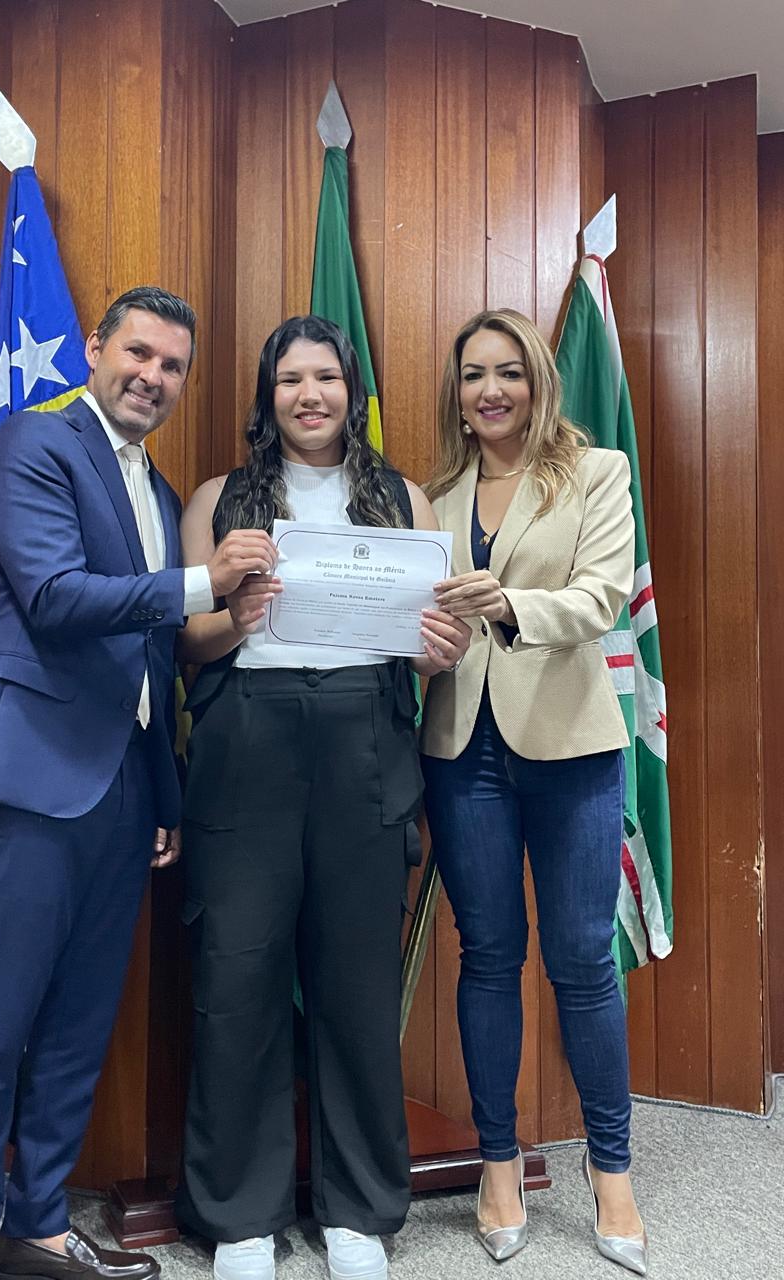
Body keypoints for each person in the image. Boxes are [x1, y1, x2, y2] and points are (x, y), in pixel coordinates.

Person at [0, 286, 276, 1280]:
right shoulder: (33, 444)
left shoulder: (160, 494)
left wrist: (162, 799)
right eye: (139, 353)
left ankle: (37, 1224)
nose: (152, 377)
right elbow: (52, 597)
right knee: (2, 1022)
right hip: (32, 777)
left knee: (82, 1023)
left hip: (124, 792)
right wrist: (208, 581)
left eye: (173, 366)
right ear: (95, 348)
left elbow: (155, 657)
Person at [173, 316, 471, 1280]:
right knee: (238, 978)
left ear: (353, 391)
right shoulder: (219, 498)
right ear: (268, 396)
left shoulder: (403, 498)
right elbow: (186, 644)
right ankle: (240, 1216)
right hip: (247, 744)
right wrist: (234, 615)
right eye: (291, 379)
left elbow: (430, 645)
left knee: (356, 984)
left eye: (328, 378)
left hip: (363, 744)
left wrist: (441, 650)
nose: (310, 395)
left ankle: (358, 1211)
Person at [419, 309, 648, 1276]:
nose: (491, 391)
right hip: (459, 748)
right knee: (487, 957)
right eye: (474, 374)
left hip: (570, 747)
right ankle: (499, 1162)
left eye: (509, 371)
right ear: (457, 391)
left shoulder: (596, 471)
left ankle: (612, 1169)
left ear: (538, 380)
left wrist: (509, 604)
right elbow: (419, 619)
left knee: (582, 961)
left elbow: (602, 598)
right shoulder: (432, 496)